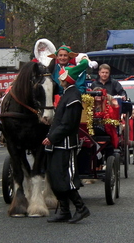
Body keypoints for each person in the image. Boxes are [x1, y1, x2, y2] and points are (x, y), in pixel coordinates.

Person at [42, 63, 90, 224]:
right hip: (58, 144)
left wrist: (52, 137)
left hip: (66, 144)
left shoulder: (74, 96)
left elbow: (68, 124)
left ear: (66, 80)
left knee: (66, 179)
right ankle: (64, 211)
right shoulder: (67, 94)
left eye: (62, 77)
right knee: (55, 178)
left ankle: (81, 208)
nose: (59, 79)